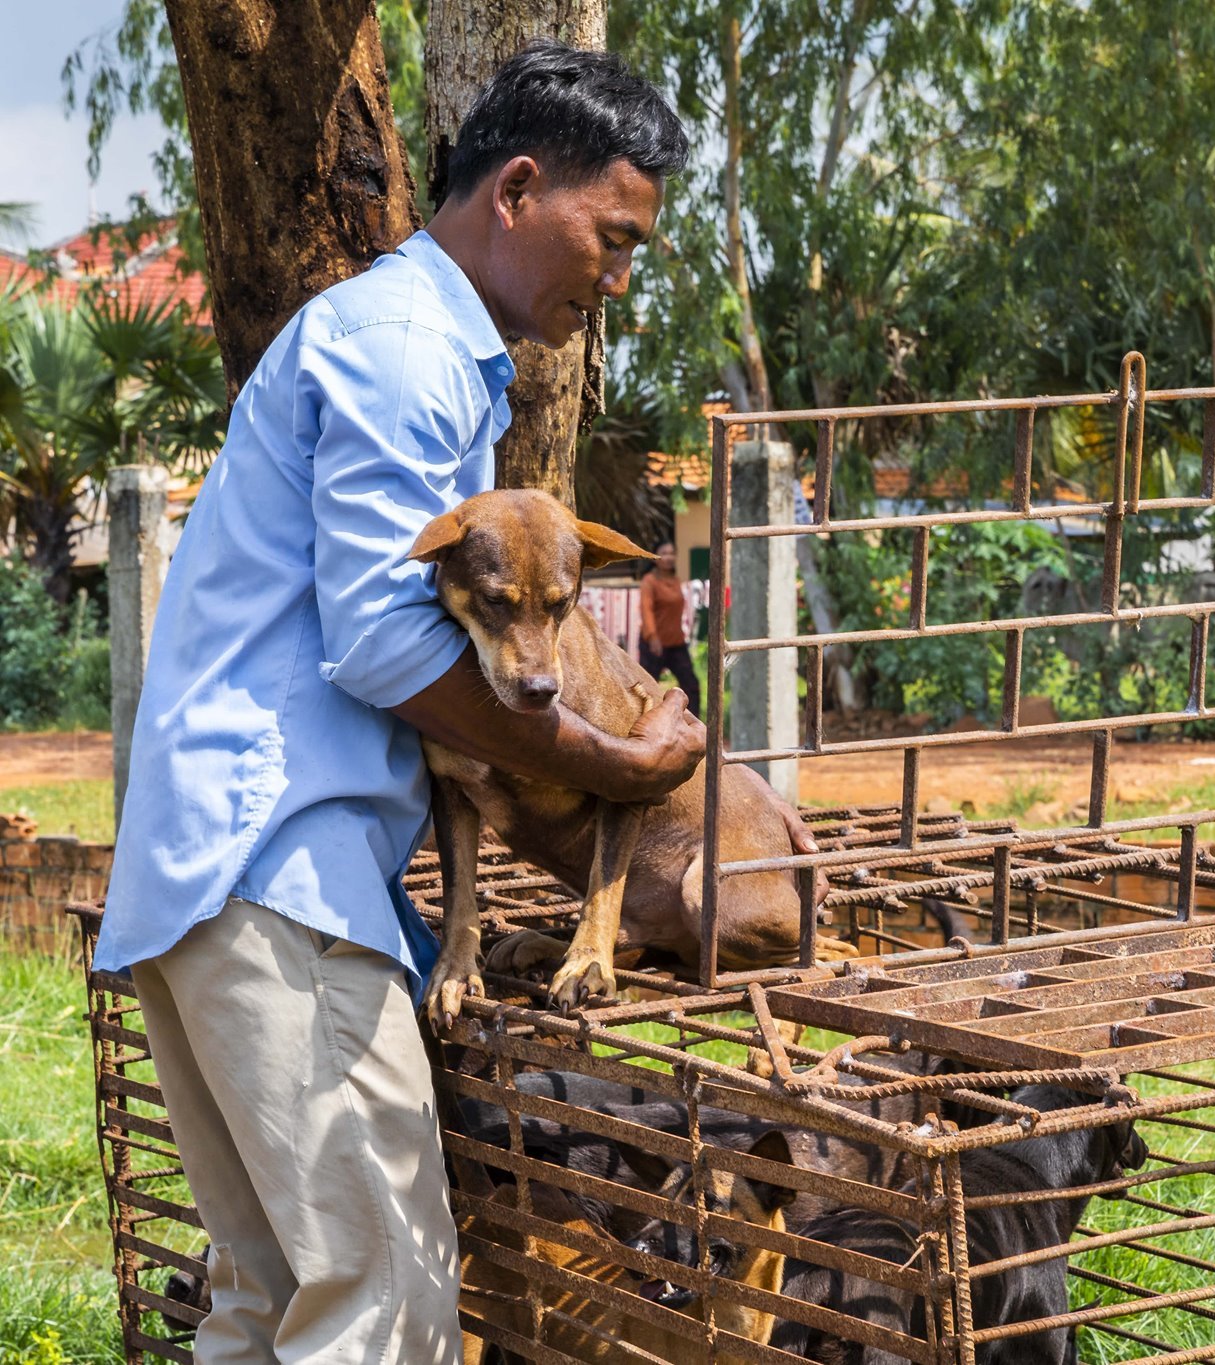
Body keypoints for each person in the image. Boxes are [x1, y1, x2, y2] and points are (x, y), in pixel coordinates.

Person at [95, 43, 812, 1363]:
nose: (622, 274)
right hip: (281, 877)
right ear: (522, 189)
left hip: (213, 868)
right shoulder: (408, 347)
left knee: (269, 1304)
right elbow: (379, 641)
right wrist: (607, 758)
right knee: (384, 1308)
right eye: (616, 235)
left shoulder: (402, 342)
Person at [638, 540, 704, 714]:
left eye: (672, 553)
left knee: (691, 685)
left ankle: (694, 725)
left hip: (676, 642)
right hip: (654, 644)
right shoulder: (649, 581)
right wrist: (652, 637)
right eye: (664, 553)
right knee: (647, 688)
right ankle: (643, 725)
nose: (669, 557)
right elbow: (646, 610)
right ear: (655, 558)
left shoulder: (675, 580)